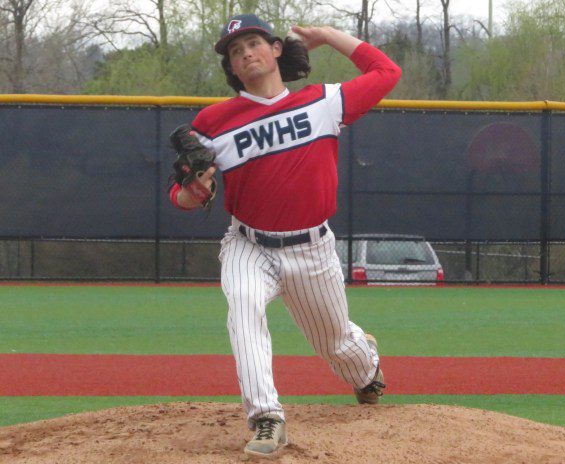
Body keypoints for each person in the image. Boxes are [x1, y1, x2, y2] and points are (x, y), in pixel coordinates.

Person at [169, 13, 401, 458]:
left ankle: (366, 366)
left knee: (338, 346)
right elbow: (180, 195)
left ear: (275, 50)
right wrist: (193, 190)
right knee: (244, 308)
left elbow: (387, 73)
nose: (245, 53)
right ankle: (266, 419)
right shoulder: (212, 123)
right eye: (235, 51)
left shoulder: (324, 102)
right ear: (232, 68)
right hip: (248, 244)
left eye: (253, 43)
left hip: (312, 250)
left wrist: (329, 37)